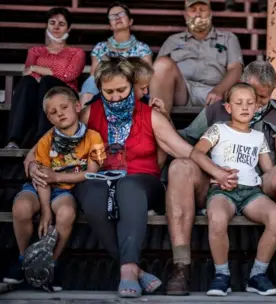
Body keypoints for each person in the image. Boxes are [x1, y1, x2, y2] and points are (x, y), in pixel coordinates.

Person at [23, 57, 193, 298]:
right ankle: (135, 270)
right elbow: (43, 145)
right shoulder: (90, 112)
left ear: (133, 85)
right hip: (99, 179)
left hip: (142, 181)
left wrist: (219, 170)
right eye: (108, 91)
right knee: (91, 192)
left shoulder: (150, 114)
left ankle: (126, 271)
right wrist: (31, 166)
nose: (115, 97)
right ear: (100, 89)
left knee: (128, 187)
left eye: (121, 90)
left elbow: (184, 150)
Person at [166, 60, 276, 297]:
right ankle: (183, 266)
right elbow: (190, 147)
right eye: (254, 96)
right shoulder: (216, 114)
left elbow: (275, 170)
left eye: (263, 98)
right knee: (180, 167)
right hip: (219, 186)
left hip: (256, 189)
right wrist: (214, 172)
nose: (259, 104)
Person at [3, 87, 104, 290]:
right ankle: (25, 260)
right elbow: (41, 176)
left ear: (77, 107)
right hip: (39, 187)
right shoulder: (46, 140)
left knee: (66, 212)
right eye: (53, 112)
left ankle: (50, 265)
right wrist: (45, 210)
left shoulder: (94, 137)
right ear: (49, 119)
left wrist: (58, 177)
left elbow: (92, 173)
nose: (59, 113)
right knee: (21, 207)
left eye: (64, 107)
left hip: (65, 189)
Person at [191, 83, 276, 297]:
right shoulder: (218, 130)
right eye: (238, 103)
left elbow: (269, 171)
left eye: (250, 103)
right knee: (217, 218)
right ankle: (222, 275)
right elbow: (196, 154)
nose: (245, 107)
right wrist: (218, 173)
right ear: (228, 107)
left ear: (256, 107)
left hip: (251, 192)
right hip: (223, 191)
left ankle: (257, 275)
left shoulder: (258, 137)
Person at [4, 7, 85, 149]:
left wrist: (38, 69)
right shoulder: (35, 51)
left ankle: (43, 138)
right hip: (38, 92)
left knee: (47, 81)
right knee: (27, 82)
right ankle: (13, 140)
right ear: (47, 25)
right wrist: (42, 72)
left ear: (69, 28)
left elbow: (68, 75)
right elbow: (28, 73)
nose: (56, 27)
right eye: (52, 22)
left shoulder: (77, 53)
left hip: (64, 94)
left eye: (61, 24)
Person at [149, 0, 243, 113]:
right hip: (182, 90)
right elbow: (157, 75)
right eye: (193, 10)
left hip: (214, 91)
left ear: (211, 13)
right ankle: (161, 123)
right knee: (161, 65)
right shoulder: (173, 41)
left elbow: (236, 69)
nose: (198, 14)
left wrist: (219, 90)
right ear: (185, 15)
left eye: (202, 10)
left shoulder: (228, 38)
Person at [79, 1, 152, 106]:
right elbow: (95, 76)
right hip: (106, 89)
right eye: (113, 16)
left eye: (121, 14)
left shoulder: (142, 48)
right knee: (91, 81)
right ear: (110, 26)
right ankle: (86, 119)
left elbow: (146, 77)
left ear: (130, 21)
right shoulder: (100, 47)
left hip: (131, 88)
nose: (117, 18)